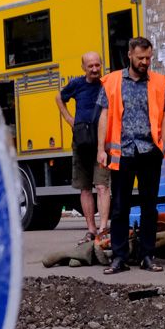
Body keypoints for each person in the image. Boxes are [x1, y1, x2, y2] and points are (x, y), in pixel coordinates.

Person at [95, 37, 165, 274]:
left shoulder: (159, 82)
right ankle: (119, 257)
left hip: (150, 151)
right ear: (130, 54)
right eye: (140, 58)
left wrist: (164, 144)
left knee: (150, 206)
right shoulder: (113, 81)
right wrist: (101, 148)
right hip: (123, 152)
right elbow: (104, 115)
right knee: (120, 207)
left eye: (148, 58)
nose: (145, 62)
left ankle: (147, 255)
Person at [57, 51, 111, 243]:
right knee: (85, 188)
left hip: (102, 143)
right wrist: (70, 119)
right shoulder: (77, 84)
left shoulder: (107, 84)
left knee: (103, 186)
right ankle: (91, 229)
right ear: (83, 68)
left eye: (98, 65)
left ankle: (103, 228)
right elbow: (59, 98)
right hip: (81, 143)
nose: (95, 69)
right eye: (91, 66)